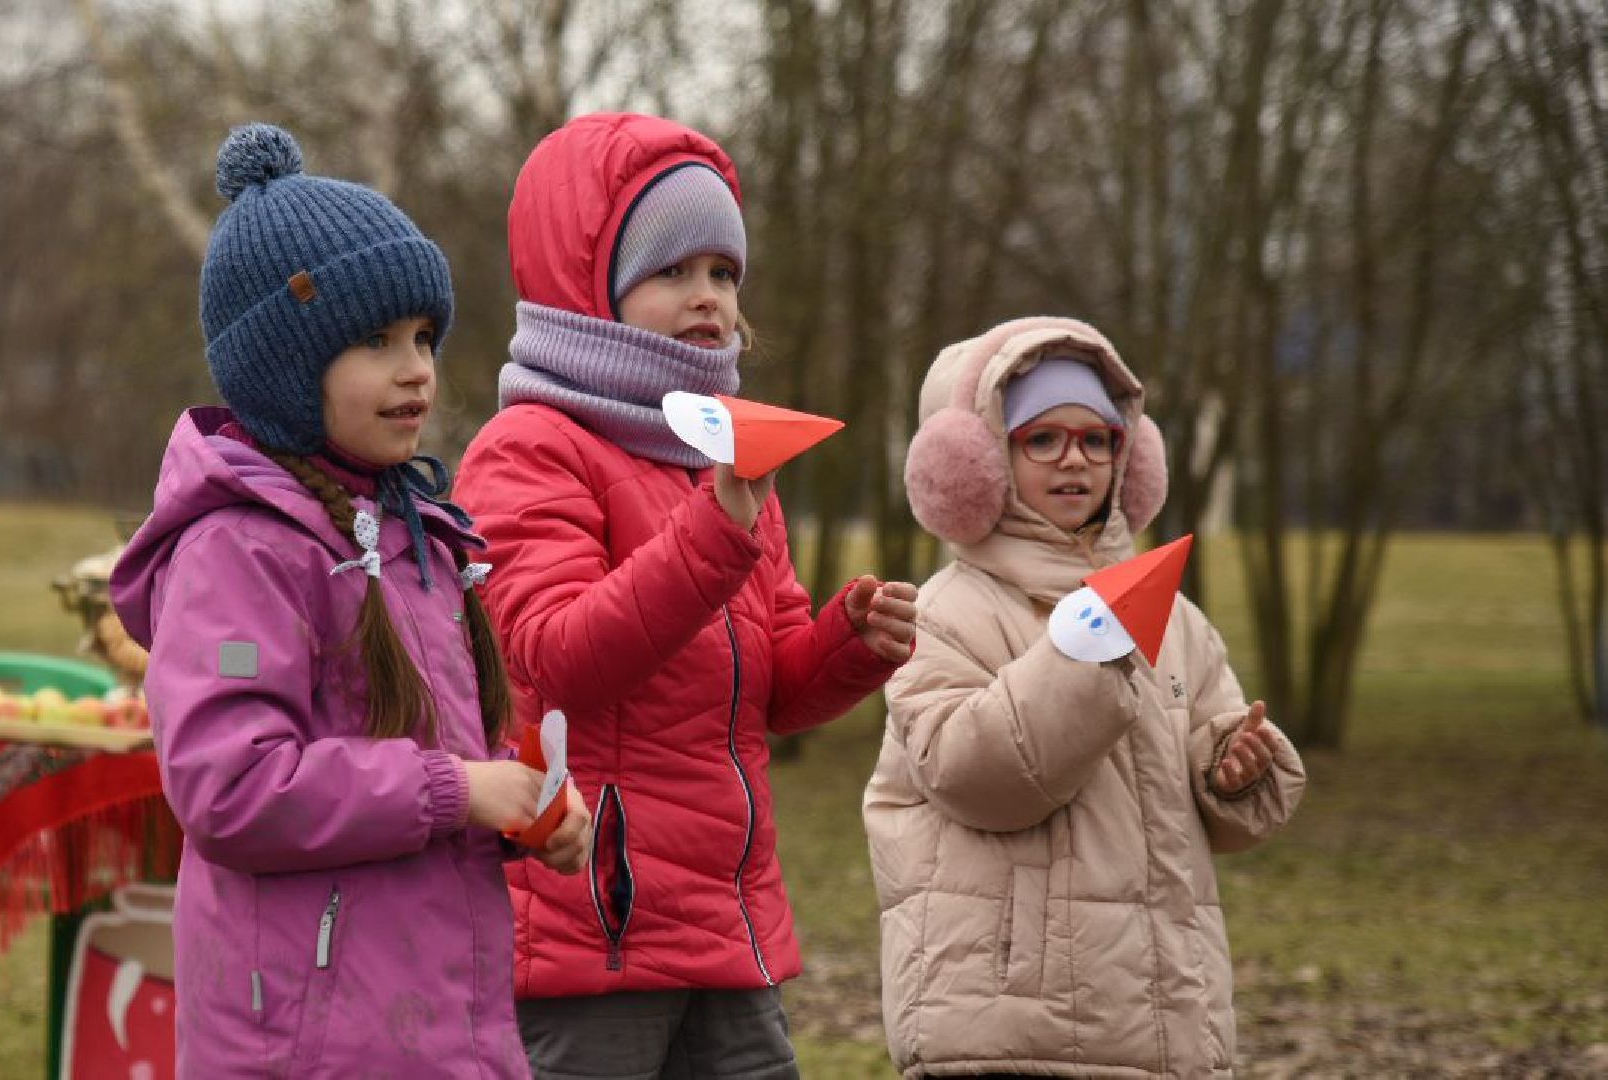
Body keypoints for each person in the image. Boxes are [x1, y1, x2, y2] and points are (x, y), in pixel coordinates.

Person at [110, 123, 591, 1078]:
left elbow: (420, 761)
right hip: (308, 1044)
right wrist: (460, 791)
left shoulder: (415, 532)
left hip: (437, 1028)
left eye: (422, 336)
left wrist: (516, 808)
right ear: (285, 368)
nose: (417, 367)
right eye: (374, 341)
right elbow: (232, 786)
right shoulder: (239, 546)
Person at [453, 111, 919, 1079]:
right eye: (670, 271)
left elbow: (775, 692)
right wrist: (715, 530)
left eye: (723, 273)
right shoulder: (529, 448)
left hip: (727, 929)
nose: (706, 296)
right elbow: (555, 654)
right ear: (589, 289)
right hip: (594, 936)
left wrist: (849, 641)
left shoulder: (730, 463)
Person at [863, 316, 1306, 1078]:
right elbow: (977, 777)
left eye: (1096, 440)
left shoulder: (1174, 618)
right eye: (1042, 438)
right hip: (1007, 1024)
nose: (1075, 460)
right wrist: (1081, 656)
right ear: (982, 460)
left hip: (1158, 1015)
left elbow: (1204, 780)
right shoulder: (944, 612)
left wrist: (1229, 765)